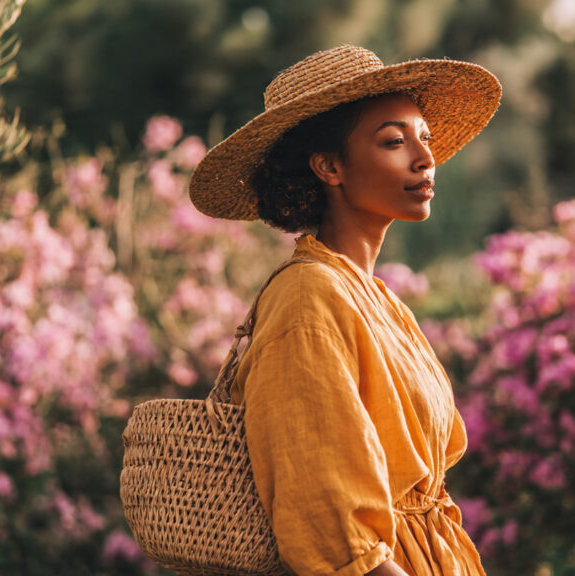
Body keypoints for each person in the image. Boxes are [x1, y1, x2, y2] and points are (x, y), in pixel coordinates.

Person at [189, 45, 501, 576]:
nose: (424, 158)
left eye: (424, 138)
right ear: (329, 166)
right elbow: (331, 527)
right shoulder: (308, 298)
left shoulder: (377, 298)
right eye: (393, 141)